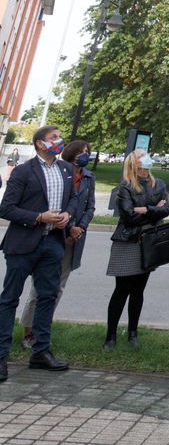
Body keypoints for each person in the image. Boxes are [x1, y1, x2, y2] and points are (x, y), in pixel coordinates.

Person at [0, 125, 77, 381]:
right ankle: (1, 357)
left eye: (59, 137)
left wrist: (67, 215)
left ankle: (41, 353)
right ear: (39, 144)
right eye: (53, 138)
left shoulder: (66, 169)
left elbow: (72, 201)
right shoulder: (24, 171)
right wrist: (38, 217)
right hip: (22, 244)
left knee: (47, 297)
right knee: (10, 299)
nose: (59, 141)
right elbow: (6, 208)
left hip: (53, 243)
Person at [20, 138, 97, 349]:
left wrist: (80, 227)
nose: (86, 154)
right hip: (55, 234)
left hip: (74, 239)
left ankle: (42, 327)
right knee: (39, 288)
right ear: (72, 153)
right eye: (82, 151)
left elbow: (90, 206)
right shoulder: (61, 172)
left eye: (87, 151)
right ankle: (28, 330)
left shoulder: (89, 177)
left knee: (57, 287)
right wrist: (69, 225)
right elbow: (59, 203)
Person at [104, 150, 169, 349]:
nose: (146, 161)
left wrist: (146, 209)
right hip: (128, 242)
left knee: (138, 290)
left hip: (148, 241)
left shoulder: (158, 184)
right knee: (122, 290)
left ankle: (133, 332)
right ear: (134, 164)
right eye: (141, 158)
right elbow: (128, 216)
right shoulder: (125, 186)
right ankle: (111, 335)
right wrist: (153, 209)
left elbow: (165, 210)